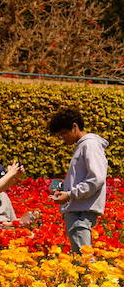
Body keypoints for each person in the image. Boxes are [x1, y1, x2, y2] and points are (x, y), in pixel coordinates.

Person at [47, 108, 110, 253]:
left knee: (84, 258)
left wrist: (70, 194)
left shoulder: (90, 145)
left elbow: (96, 178)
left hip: (81, 210)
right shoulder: (83, 145)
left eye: (63, 133)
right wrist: (66, 189)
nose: (62, 138)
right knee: (81, 255)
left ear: (75, 127)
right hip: (78, 208)